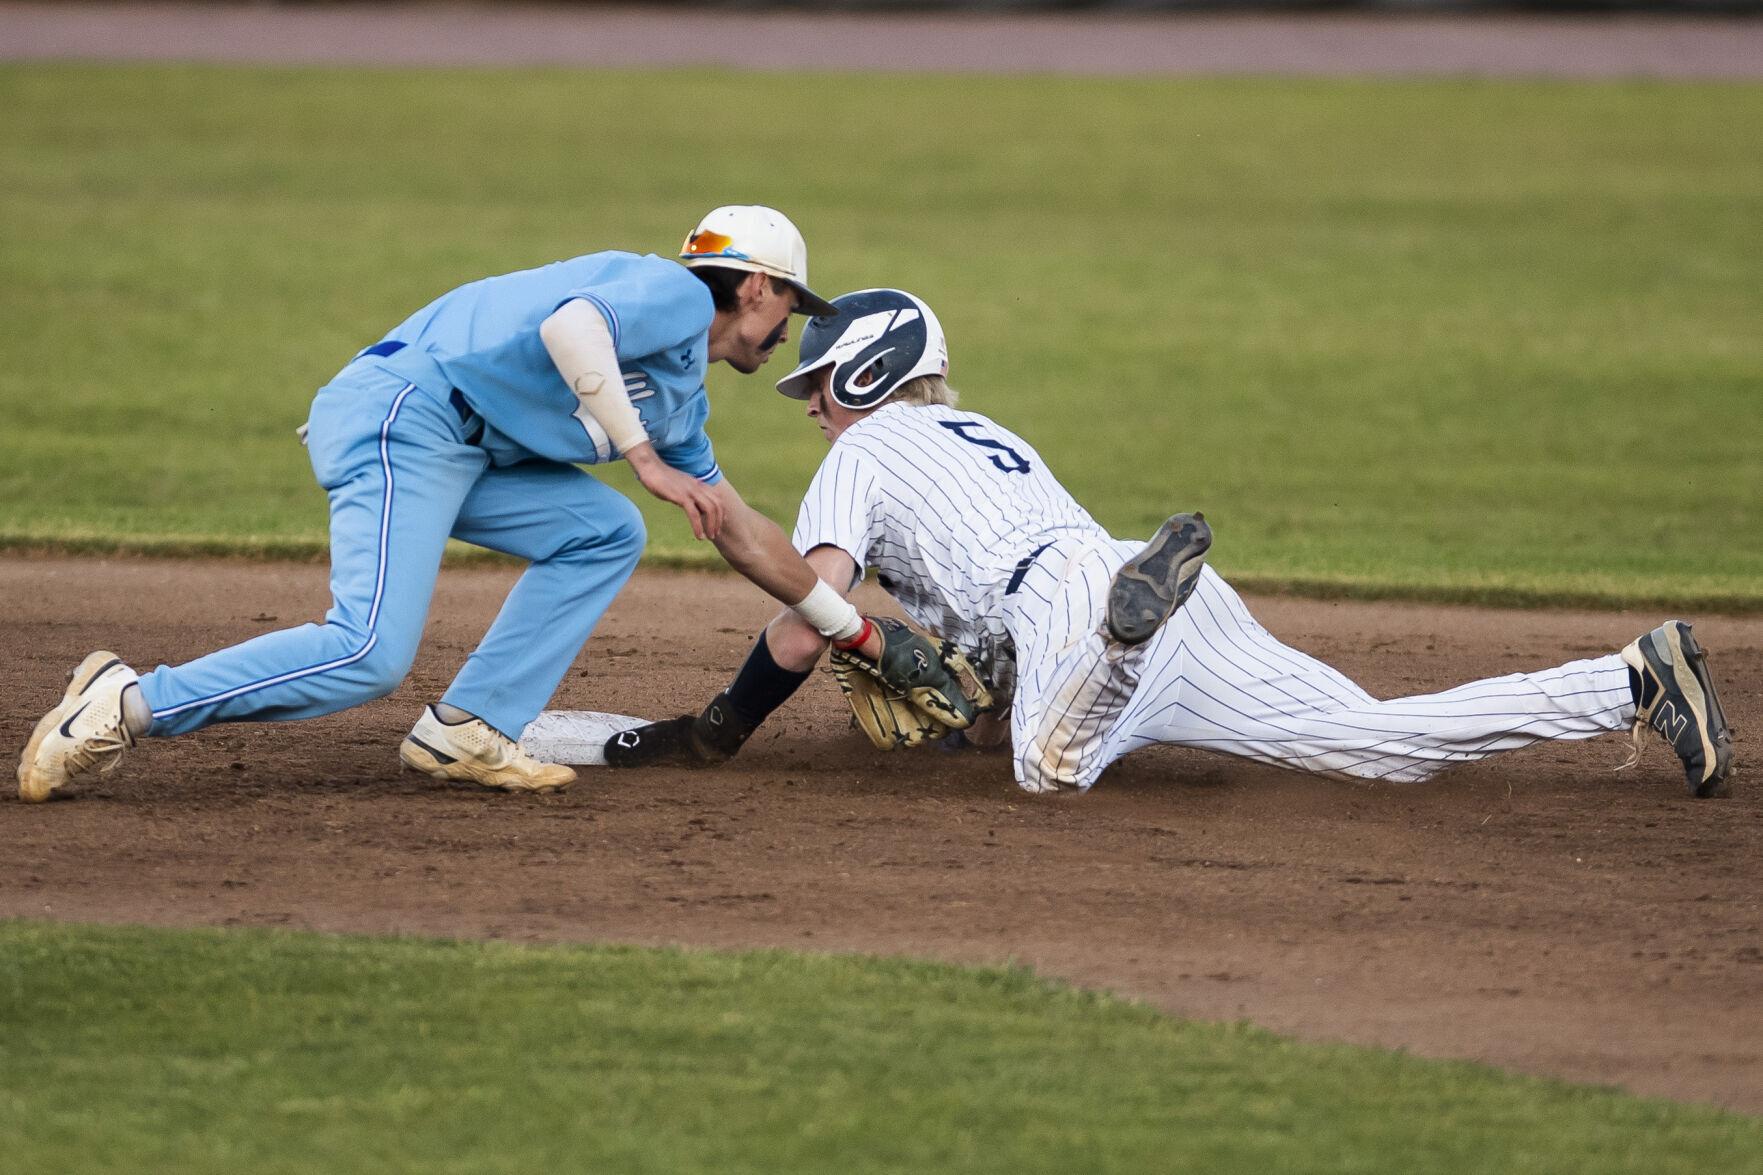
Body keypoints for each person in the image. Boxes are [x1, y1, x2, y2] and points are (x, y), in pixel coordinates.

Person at [602, 288, 1735, 800]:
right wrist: (970, 677)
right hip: (1135, 569)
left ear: (862, 375)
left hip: (1075, 607)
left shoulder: (860, 453)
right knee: (1381, 745)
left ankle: (1117, 641)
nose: (807, 405)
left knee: (1047, 771)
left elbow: (811, 610)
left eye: (815, 385)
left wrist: (723, 727)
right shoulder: (984, 428)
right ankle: (1627, 677)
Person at [17, 207, 935, 801]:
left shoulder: (680, 389)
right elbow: (570, 326)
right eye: (789, 307)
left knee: (602, 528)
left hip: (457, 448)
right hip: (404, 417)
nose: (786, 331)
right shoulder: (666, 294)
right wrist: (645, 459)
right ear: (756, 286)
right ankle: (128, 701)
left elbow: (738, 529)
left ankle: (469, 728)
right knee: (369, 651)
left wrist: (847, 628)